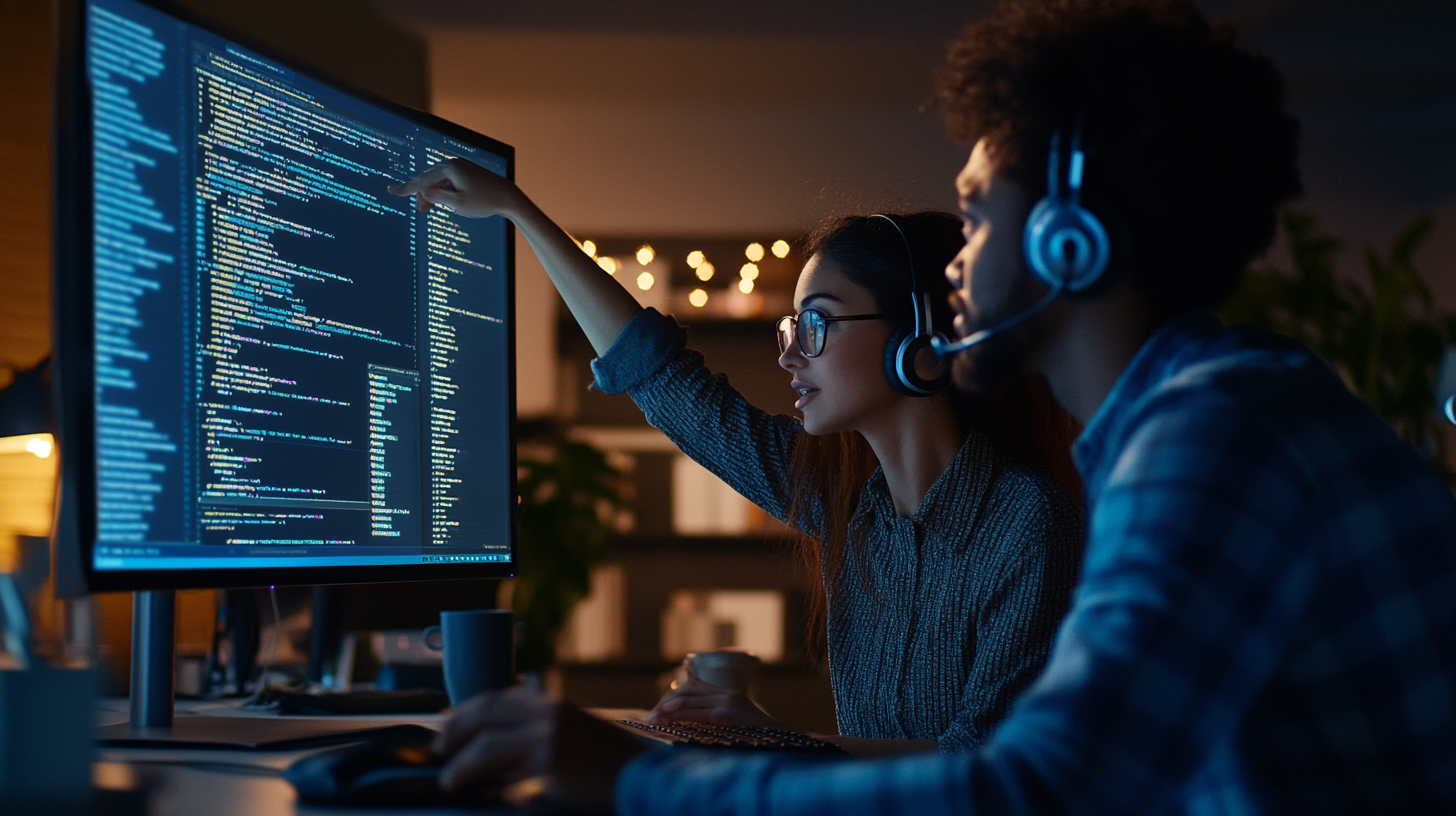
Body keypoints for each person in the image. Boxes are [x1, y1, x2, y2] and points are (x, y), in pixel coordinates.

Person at [409, 0, 1456, 813]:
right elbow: (666, 380)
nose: (959, 260)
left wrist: (637, 779)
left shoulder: (1210, 439)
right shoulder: (1181, 420)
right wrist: (514, 211)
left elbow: (1030, 788)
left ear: (1066, 240)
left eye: (974, 213)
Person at [387, 160, 1085, 756]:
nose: (788, 353)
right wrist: (517, 211)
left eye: (817, 324)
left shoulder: (1031, 524)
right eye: (790, 327)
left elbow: (983, 772)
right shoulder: (845, 501)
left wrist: (774, 740)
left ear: (922, 339)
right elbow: (661, 377)